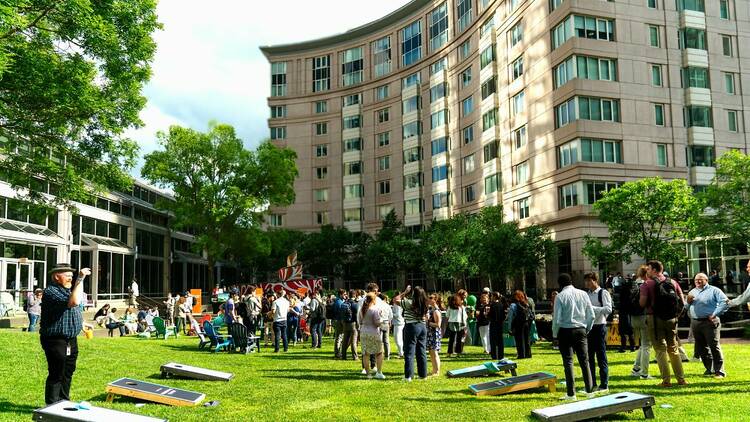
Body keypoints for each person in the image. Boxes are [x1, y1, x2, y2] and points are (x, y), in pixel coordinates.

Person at [40, 264, 91, 404]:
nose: (71, 277)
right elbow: (74, 302)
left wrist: (82, 322)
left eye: (72, 275)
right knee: (57, 373)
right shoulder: (51, 291)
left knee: (68, 372)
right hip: (55, 339)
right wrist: (80, 279)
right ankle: (51, 406)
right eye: (67, 275)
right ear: (57, 276)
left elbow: (74, 308)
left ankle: (64, 401)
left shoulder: (68, 291)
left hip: (71, 339)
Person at [639, 260, 687, 387]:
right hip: (671, 319)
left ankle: (666, 381)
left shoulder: (647, 284)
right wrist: (676, 316)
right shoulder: (673, 282)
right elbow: (682, 302)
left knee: (660, 350)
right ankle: (681, 379)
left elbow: (642, 303)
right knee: (673, 348)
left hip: (654, 319)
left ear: (654, 270)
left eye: (648, 269)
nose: (647, 271)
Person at [552, 273, 595, 401]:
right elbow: (591, 315)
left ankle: (571, 393)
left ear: (560, 284)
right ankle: (589, 390)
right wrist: (587, 328)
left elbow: (557, 319)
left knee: (568, 362)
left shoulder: (560, 296)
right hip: (581, 329)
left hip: (565, 331)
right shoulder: (583, 294)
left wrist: (555, 335)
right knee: (584, 361)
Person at [687, 272, 728, 378]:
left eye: (700, 279)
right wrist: (688, 302)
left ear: (706, 280)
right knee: (701, 347)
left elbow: (724, 302)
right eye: (696, 280)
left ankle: (720, 371)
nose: (698, 281)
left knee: (714, 346)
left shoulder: (714, 290)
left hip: (710, 322)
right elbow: (686, 306)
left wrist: (715, 314)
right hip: (696, 322)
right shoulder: (692, 291)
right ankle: (709, 368)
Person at [394, 285, 428, 381]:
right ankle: (423, 375)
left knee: (409, 352)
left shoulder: (409, 302)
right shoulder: (425, 303)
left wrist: (405, 292)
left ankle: (408, 376)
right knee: (421, 351)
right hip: (422, 327)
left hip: (412, 326)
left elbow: (395, 300)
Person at [584, 272, 612, 393]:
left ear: (595, 280)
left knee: (601, 357)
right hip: (589, 327)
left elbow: (608, 309)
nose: (587, 284)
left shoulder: (603, 293)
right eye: (586, 281)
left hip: (600, 326)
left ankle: (604, 384)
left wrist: (594, 309)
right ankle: (592, 383)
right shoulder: (586, 294)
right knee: (589, 357)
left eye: (589, 281)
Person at [630, 265, 653, 380]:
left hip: (633, 317)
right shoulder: (647, 284)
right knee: (646, 346)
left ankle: (636, 368)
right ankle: (644, 373)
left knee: (642, 345)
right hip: (644, 316)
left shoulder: (633, 283)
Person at [359, 292, 386, 379]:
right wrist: (382, 319)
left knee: (365, 354)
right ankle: (379, 372)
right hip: (373, 333)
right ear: (374, 299)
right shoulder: (375, 310)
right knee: (379, 352)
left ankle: (368, 374)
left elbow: (359, 321)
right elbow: (377, 323)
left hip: (363, 332)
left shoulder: (361, 309)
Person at [507, 290, 533, 359]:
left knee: (519, 340)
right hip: (526, 323)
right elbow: (531, 315)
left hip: (518, 324)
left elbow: (510, 317)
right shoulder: (526, 303)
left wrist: (509, 328)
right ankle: (528, 354)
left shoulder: (513, 305)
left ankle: (521, 355)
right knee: (527, 339)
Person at [446, 291, 468, 357]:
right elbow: (465, 316)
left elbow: (447, 316)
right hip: (460, 323)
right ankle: (458, 352)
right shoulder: (462, 307)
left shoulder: (450, 307)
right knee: (459, 339)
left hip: (452, 323)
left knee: (452, 339)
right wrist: (465, 324)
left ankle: (449, 353)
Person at [426, 293, 442, 376]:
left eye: (431, 298)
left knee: (434, 353)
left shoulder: (436, 311)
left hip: (434, 334)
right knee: (431, 353)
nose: (428, 299)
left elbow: (438, 325)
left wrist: (428, 322)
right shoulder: (431, 310)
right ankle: (434, 370)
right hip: (430, 334)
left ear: (435, 300)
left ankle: (437, 371)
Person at [340, 290, 359, 361]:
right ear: (354, 295)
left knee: (345, 340)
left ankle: (343, 356)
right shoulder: (355, 304)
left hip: (345, 323)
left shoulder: (345, 303)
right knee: (353, 341)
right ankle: (355, 356)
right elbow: (357, 315)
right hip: (353, 324)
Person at [488, 291, 506, 360]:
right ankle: (501, 355)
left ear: (494, 296)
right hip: (500, 324)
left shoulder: (492, 305)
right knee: (500, 341)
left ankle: (494, 355)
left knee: (493, 341)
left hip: (493, 324)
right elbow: (504, 315)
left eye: (492, 296)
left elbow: (490, 315)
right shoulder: (501, 305)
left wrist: (487, 315)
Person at [332, 289, 346, 358]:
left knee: (339, 337)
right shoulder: (339, 302)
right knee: (339, 337)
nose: (345, 296)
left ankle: (337, 352)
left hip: (337, 320)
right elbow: (340, 313)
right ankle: (337, 352)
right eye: (344, 294)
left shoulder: (338, 301)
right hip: (339, 320)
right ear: (341, 294)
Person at [379, 293, 393, 359]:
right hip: (386, 322)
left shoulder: (378, 305)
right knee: (386, 340)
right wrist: (389, 322)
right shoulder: (387, 306)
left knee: (380, 340)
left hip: (380, 322)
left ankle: (380, 354)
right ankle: (387, 355)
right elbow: (391, 315)